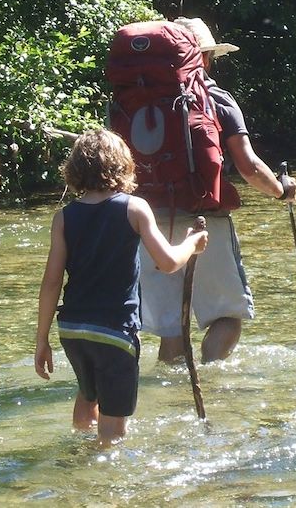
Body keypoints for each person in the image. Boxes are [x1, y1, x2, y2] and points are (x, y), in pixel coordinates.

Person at [138, 16, 296, 364]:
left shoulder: (135, 100)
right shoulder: (215, 98)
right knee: (228, 315)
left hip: (148, 222)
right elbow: (249, 166)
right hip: (204, 219)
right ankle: (209, 386)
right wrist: (281, 192)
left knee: (172, 326)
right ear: (205, 58)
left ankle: (173, 393)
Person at [34, 129, 208, 445]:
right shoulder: (134, 208)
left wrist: (41, 339)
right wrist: (191, 244)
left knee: (88, 396)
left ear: (75, 170)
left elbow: (50, 283)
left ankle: (78, 454)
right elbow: (168, 263)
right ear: (123, 166)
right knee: (114, 431)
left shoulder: (64, 217)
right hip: (114, 331)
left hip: (73, 330)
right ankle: (99, 481)